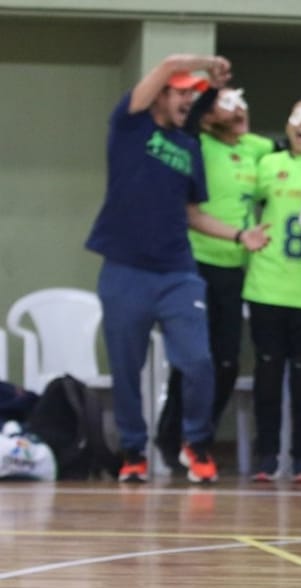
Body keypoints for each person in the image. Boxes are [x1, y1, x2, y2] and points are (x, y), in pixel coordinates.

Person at [85, 54, 269, 484]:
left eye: (192, 92)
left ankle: (195, 444)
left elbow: (193, 213)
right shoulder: (130, 125)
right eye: (180, 91)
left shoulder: (189, 147)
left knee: (198, 361)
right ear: (161, 94)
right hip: (125, 269)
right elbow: (169, 64)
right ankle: (133, 451)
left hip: (177, 272)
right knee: (126, 367)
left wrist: (240, 237)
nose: (188, 98)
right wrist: (206, 66)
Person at [155, 85, 277, 472]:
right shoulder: (197, 144)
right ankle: (173, 438)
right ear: (208, 116)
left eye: (242, 103)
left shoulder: (257, 148)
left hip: (233, 268)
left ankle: (198, 436)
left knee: (226, 361)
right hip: (195, 262)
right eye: (228, 106)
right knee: (194, 360)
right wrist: (210, 88)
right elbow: (191, 121)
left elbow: (292, 154)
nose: (239, 111)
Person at [242, 96, 301, 483]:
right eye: (295, 117)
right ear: (285, 127)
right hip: (266, 284)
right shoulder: (267, 163)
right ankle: (267, 455)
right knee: (266, 373)